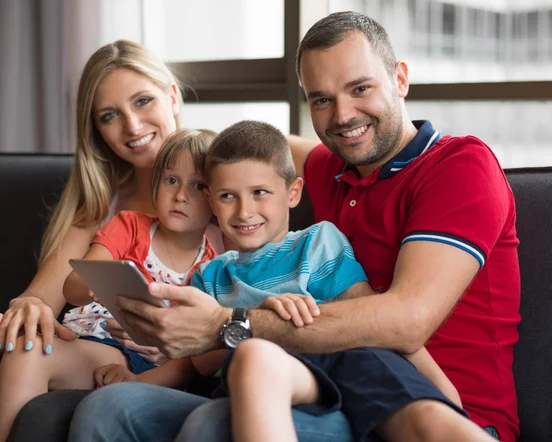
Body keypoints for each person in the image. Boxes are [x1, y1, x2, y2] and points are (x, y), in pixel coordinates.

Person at [69, 11, 519, 442]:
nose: (343, 115)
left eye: (360, 88)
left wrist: (229, 324)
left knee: (214, 425)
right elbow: (249, 153)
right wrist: (156, 146)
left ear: (399, 79)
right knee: (108, 410)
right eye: (321, 99)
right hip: (319, 383)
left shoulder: (459, 166)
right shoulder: (334, 169)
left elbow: (407, 322)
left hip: (441, 410)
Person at [0, 40, 223, 442]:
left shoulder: (225, 178)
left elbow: (293, 160)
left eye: (143, 101)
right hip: (81, 338)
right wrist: (32, 305)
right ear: (96, 130)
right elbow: (45, 297)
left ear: (172, 96)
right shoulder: (105, 204)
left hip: (140, 356)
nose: (132, 126)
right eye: (110, 115)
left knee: (30, 350)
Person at [190, 119, 497, 442]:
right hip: (265, 381)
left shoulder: (316, 243)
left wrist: (445, 391)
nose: (244, 211)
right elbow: (200, 358)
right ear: (211, 201)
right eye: (227, 196)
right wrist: (258, 321)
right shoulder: (210, 275)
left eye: (259, 193)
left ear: (293, 193)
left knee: (427, 416)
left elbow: (374, 319)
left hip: (338, 367)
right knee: (252, 359)